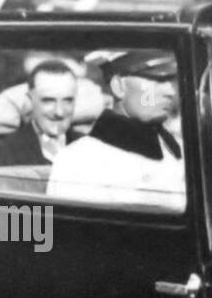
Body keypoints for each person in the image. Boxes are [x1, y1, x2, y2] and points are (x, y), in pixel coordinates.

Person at [48, 51, 183, 209]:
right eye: (158, 79)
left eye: (172, 80)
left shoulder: (175, 146)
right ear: (119, 87)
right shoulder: (81, 161)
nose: (170, 91)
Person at [0, 59, 83, 166]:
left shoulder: (91, 149)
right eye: (48, 100)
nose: (59, 112)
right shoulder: (2, 151)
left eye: (68, 100)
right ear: (30, 100)